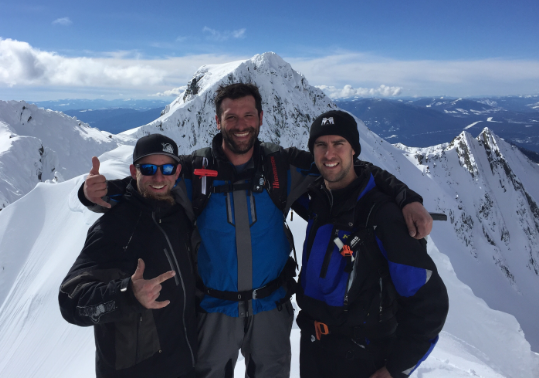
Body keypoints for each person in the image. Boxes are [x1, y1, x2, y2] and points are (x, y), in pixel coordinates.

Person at [79, 83, 434, 378]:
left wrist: (406, 197)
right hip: (215, 309)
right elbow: (150, 183)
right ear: (218, 121)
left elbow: (345, 167)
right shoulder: (194, 171)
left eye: (248, 115)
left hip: (271, 308)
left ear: (261, 118)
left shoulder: (283, 166)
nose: (240, 124)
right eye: (231, 117)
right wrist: (94, 194)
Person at [296, 110, 449, 378]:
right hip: (312, 349)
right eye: (321, 145)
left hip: (362, 358)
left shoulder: (381, 215)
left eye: (338, 144)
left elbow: (430, 303)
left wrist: (395, 369)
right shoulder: (316, 199)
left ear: (353, 149)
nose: (329, 154)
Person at [59, 134, 197, 378]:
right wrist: (127, 295)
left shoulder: (179, 213)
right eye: (148, 168)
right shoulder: (116, 227)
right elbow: (71, 300)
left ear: (177, 172)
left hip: (184, 364)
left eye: (166, 168)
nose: (158, 177)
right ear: (135, 171)